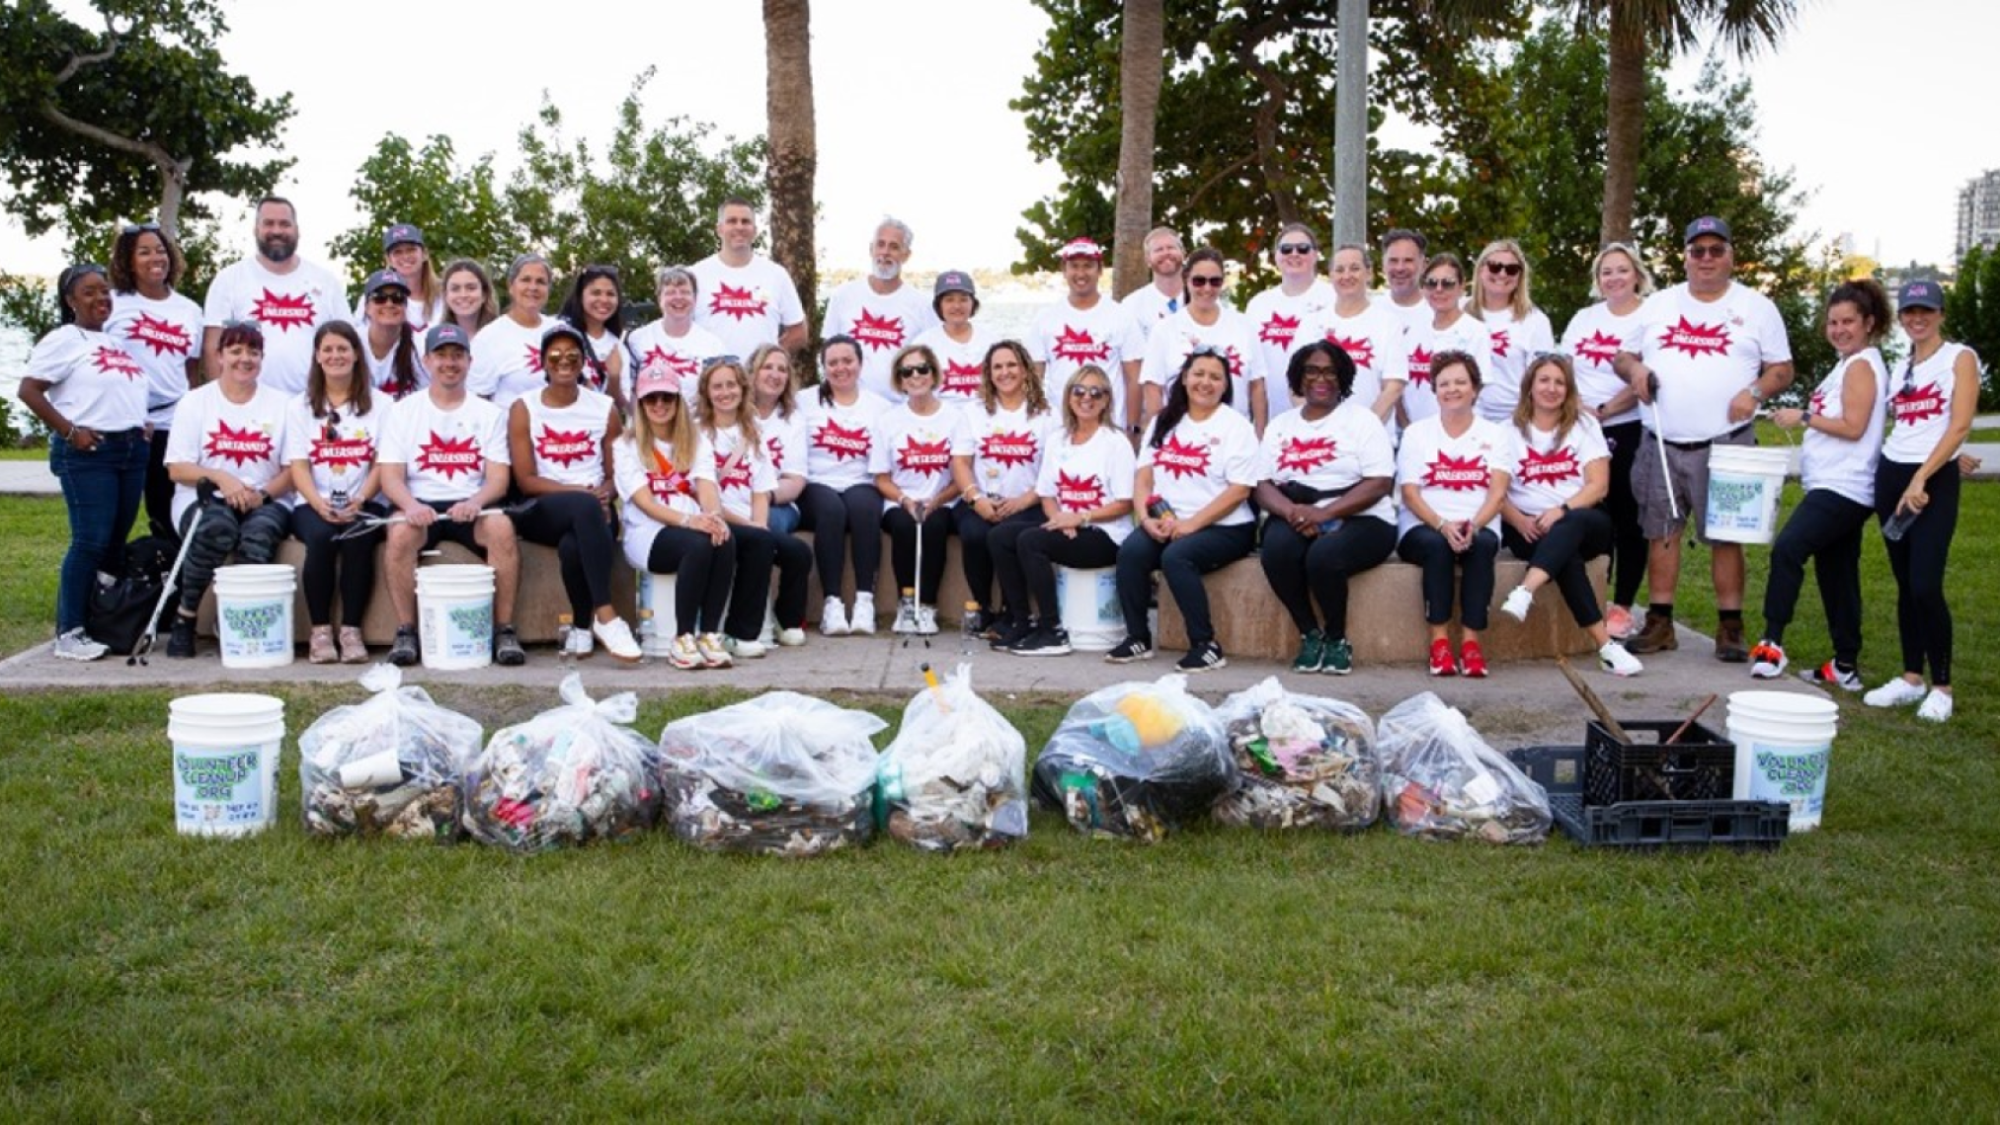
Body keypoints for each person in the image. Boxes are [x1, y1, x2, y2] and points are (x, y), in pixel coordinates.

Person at [1614, 216, 1793, 661]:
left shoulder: (1756, 307)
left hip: (1727, 440)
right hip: (1662, 438)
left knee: (1726, 535)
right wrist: (1635, 370)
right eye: (1698, 250)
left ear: (1731, 255)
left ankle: (1730, 626)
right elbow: (1622, 356)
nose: (1707, 258)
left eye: (1716, 250)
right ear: (1686, 256)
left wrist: (1754, 392)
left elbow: (1782, 369)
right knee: (1662, 533)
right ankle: (1660, 623)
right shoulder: (1659, 304)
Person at [1748, 280, 1891, 690]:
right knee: (1838, 574)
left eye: (1848, 321)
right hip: (1836, 486)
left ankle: (1771, 644)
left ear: (1869, 323)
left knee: (1789, 548)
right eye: (1832, 321)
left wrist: (1804, 417)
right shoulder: (1850, 363)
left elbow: (1854, 426)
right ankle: (1845, 665)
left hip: (1843, 487)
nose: (1839, 329)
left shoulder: (1862, 365)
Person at [16, 263, 149, 661]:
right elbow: (29, 390)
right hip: (90, 454)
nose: (100, 298)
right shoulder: (63, 339)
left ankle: (99, 622)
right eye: (89, 292)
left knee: (112, 543)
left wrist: (139, 422)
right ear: (70, 300)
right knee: (89, 541)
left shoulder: (112, 342)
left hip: (129, 451)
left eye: (104, 291)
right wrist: (71, 432)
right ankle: (69, 631)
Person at [376, 324, 525, 668]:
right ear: (427, 360)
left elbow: (498, 479)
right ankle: (406, 631)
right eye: (441, 355)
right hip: (420, 505)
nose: (449, 363)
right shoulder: (403, 411)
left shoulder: (488, 414)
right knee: (399, 534)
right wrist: (411, 506)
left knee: (501, 529)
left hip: (470, 506)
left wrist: (475, 502)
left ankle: (503, 629)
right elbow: (390, 477)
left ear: (469, 362)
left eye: (457, 355)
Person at [1862, 280, 1977, 722]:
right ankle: (1911, 678)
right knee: (1907, 584)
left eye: (1926, 311)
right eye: (1910, 311)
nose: (1917, 318)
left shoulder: (1959, 357)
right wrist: (1940, 459)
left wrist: (1926, 474)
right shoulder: (1902, 363)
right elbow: (1916, 424)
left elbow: (1961, 421)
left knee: (1927, 582)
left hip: (1927, 483)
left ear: (1941, 314)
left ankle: (1942, 686)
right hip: (1893, 473)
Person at [1108, 348, 1258, 672]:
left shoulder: (1236, 427)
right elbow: (1144, 476)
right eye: (1199, 374)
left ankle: (1206, 646)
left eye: (1215, 377)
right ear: (1185, 378)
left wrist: (1191, 524)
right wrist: (1145, 519)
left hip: (1226, 526)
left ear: (1225, 385)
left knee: (1177, 556)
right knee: (1132, 551)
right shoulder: (1165, 419)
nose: (1206, 382)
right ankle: (1137, 637)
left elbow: (1239, 490)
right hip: (1165, 520)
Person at [1494, 354, 1644, 677]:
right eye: (1544, 381)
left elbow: (1599, 486)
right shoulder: (1507, 431)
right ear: (1530, 387)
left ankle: (1525, 591)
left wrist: (1560, 510)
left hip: (1585, 520)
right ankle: (1605, 647)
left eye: (1559, 382)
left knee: (1569, 525)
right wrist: (1519, 519)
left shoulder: (1584, 425)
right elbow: (1497, 492)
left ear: (1569, 389)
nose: (1552, 388)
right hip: (1527, 527)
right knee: (1566, 559)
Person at [1254, 341, 1397, 675]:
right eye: (1312, 370)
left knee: (1324, 556)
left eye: (1330, 371)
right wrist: (1293, 512)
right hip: (1295, 511)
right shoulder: (1280, 425)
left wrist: (1326, 513)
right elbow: (1261, 484)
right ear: (1298, 378)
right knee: (1276, 551)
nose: (1321, 378)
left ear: (1343, 377)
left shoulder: (1362, 420)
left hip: (1363, 517)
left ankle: (1336, 639)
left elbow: (1379, 482)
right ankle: (1309, 633)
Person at [506, 323, 642, 663]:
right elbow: (525, 480)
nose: (563, 361)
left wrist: (603, 492)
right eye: (555, 355)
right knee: (582, 507)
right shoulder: (524, 408)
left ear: (583, 362)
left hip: (595, 511)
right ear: (542, 362)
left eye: (572, 355)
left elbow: (615, 476)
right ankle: (607, 615)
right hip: (542, 507)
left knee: (573, 546)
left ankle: (582, 627)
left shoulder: (604, 408)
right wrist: (582, 493)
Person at [162, 321, 296, 659]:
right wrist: (222, 478)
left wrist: (261, 495)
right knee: (217, 528)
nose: (245, 359)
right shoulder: (195, 402)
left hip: (266, 497)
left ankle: (237, 618)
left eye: (253, 351)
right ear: (219, 356)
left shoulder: (283, 405)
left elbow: (293, 469)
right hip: (202, 497)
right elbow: (177, 468)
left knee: (259, 534)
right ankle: (186, 616)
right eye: (235, 351)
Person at [989, 364, 1136, 655]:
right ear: (1069, 396)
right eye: (1079, 391)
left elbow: (1125, 503)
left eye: (1096, 392)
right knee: (1000, 536)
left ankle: (1052, 631)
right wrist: (1060, 519)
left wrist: (1081, 517)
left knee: (1031, 541)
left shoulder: (1115, 443)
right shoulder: (1058, 439)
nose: (1087, 398)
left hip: (1105, 534)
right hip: (1066, 527)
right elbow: (1046, 493)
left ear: (1106, 400)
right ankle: (1022, 622)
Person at [1395, 349, 1515, 678]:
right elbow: (1410, 493)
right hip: (1423, 524)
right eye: (1444, 383)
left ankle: (1472, 643)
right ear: (1434, 390)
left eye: (1461, 382)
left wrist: (1473, 525)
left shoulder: (1495, 434)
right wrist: (1443, 525)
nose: (1452, 389)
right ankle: (1440, 643)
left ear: (1475, 388)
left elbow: (1498, 492)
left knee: (1483, 546)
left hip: (1478, 521)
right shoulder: (1417, 433)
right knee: (1436, 547)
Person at [1558, 243, 1654, 639]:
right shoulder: (1584, 318)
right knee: (1596, 516)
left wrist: (1608, 409)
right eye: (1606, 272)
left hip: (1627, 423)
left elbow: (1646, 376)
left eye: (1621, 270)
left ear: (1637, 275)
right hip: (1582, 425)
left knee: (1629, 516)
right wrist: (1580, 407)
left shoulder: (1651, 316)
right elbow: (1563, 366)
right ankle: (1597, 594)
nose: (1614, 278)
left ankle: (1625, 604)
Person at [614, 362, 735, 670]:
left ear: (678, 401)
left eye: (666, 397)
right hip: (648, 534)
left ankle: (709, 633)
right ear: (640, 403)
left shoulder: (696, 440)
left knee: (723, 538)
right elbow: (644, 502)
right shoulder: (626, 445)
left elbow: (707, 485)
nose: (659, 405)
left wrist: (713, 516)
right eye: (651, 398)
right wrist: (689, 521)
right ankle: (682, 637)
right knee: (698, 544)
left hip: (691, 527)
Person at [285, 321, 384, 664]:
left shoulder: (381, 405)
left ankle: (351, 630)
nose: (335, 355)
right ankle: (321, 631)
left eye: (343, 348)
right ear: (317, 356)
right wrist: (318, 503)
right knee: (323, 538)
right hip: (313, 501)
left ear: (356, 354)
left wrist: (361, 500)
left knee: (359, 538)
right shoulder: (300, 406)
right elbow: (298, 466)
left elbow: (383, 463)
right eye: (327, 349)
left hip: (365, 499)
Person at [698, 356, 812, 654]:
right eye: (718, 386)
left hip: (749, 521)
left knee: (797, 551)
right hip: (712, 518)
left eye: (731, 385)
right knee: (759, 542)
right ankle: (739, 634)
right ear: (707, 392)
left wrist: (760, 525)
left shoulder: (753, 434)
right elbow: (705, 496)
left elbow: (761, 491)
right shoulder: (698, 433)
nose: (726, 392)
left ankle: (787, 621)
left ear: (742, 388)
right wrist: (754, 529)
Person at [104, 222, 203, 540]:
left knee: (168, 512)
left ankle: (169, 581)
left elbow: (192, 369)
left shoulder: (188, 309)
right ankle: (111, 583)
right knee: (115, 516)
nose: (154, 258)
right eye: (143, 252)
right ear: (127, 260)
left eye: (160, 250)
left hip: (171, 425)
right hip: (125, 424)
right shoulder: (112, 303)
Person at [951, 340, 1056, 640]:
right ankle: (983, 608)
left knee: (1014, 536)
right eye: (997, 366)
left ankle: (1013, 612)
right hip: (981, 498)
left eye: (1012, 365)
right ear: (988, 373)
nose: (1005, 372)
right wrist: (976, 498)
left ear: (1025, 369)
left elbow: (1054, 468)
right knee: (974, 533)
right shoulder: (974, 412)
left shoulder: (1046, 414)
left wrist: (1025, 500)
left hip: (1030, 500)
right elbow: (960, 462)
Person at [202, 196, 345, 396]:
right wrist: (223, 402)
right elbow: (212, 348)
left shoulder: (326, 282)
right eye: (268, 223)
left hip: (312, 405)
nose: (277, 231)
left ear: (297, 230)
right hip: (248, 404)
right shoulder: (229, 279)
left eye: (284, 224)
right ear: (255, 229)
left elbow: (347, 345)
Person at [798, 336, 891, 635]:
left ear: (860, 364)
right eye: (833, 362)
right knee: (832, 511)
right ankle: (832, 603)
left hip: (860, 481)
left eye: (847, 361)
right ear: (823, 367)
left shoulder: (880, 407)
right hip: (815, 482)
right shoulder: (804, 401)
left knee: (864, 509)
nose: (841, 368)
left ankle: (865, 601)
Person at [871, 344, 967, 634]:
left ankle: (926, 606)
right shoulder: (888, 421)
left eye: (922, 369)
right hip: (900, 501)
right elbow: (881, 478)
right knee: (904, 526)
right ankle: (906, 603)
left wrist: (936, 500)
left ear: (934, 374)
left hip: (944, 501)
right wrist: (906, 500)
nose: (915, 376)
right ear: (899, 380)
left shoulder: (955, 417)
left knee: (933, 526)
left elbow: (961, 472)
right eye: (907, 371)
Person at [1027, 237, 1146, 439]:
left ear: (1099, 270)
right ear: (1064, 270)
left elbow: (1134, 379)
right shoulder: (1044, 319)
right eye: (1074, 266)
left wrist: (1133, 429)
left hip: (1110, 429)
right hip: (1060, 431)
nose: (1081, 273)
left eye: (1088, 266)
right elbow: (1034, 379)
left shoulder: (1121, 317)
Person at [1141, 247, 1268, 433]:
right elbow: (1153, 388)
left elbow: (1257, 386)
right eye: (1199, 281)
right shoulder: (1165, 329)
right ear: (1186, 279)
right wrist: (1158, 436)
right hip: (1181, 436)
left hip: (1234, 435)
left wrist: (1259, 435)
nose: (1207, 288)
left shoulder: (1244, 326)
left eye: (1215, 282)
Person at [823, 217, 940, 399]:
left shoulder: (921, 305)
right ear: (871, 249)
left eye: (894, 247)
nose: (885, 252)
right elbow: (827, 352)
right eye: (880, 244)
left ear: (906, 255)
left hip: (899, 408)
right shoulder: (843, 296)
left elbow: (933, 361)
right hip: (850, 406)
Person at [690, 196, 808, 358]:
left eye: (745, 222)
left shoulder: (776, 275)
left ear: (754, 230)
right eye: (732, 221)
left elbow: (798, 333)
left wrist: (768, 362)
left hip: (760, 381)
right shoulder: (695, 275)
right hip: (713, 379)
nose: (739, 227)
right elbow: (679, 329)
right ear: (719, 229)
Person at [1308, 243, 1407, 424]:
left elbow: (1394, 386)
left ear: (1369, 273)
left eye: (1355, 268)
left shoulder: (1387, 323)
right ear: (1330, 276)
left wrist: (1363, 429)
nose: (1347, 276)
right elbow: (1295, 385)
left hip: (1371, 438)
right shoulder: (1311, 323)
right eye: (1339, 270)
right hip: (1321, 439)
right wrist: (1316, 425)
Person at [1242, 223, 1333, 418]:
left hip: (1325, 416)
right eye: (1286, 249)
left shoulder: (1332, 298)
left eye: (1303, 248)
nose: (1294, 254)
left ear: (1315, 255)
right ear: (1276, 256)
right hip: (1271, 418)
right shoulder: (1258, 305)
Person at [1468, 239, 1555, 423]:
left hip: (1514, 420)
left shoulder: (1535, 321)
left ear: (1520, 277)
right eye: (1494, 266)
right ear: (1481, 269)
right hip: (1464, 418)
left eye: (1511, 269)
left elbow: (1543, 377)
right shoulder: (1458, 311)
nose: (1502, 274)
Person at [624, 266, 726, 410]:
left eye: (685, 292)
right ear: (659, 298)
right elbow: (628, 390)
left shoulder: (713, 345)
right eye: (670, 292)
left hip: (696, 427)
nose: (678, 297)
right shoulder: (637, 339)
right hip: (648, 426)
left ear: (695, 298)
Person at [467, 254, 555, 410]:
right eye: (525, 280)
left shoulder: (560, 330)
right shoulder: (489, 338)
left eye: (541, 282)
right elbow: (477, 402)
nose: (533, 287)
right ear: (511, 286)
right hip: (509, 431)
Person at [746, 343, 809, 538]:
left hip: (777, 503)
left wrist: (763, 496)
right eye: (767, 367)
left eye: (782, 370)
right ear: (752, 373)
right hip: (730, 499)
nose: (775, 374)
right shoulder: (733, 412)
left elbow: (795, 481)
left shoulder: (793, 420)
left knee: (766, 522)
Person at [911, 271, 994, 405]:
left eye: (963, 299)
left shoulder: (991, 341)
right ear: (939, 305)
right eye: (949, 300)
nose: (957, 306)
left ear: (973, 303)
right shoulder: (922, 344)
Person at [350, 224, 444, 332]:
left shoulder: (446, 294)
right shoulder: (375, 297)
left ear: (424, 254)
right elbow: (357, 336)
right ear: (388, 260)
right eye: (397, 252)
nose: (405, 256)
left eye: (411, 250)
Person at [554, 263, 626, 398]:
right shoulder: (558, 331)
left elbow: (617, 407)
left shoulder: (618, 347)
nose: (604, 300)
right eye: (596, 293)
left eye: (610, 294)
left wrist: (614, 377)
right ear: (580, 295)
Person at [357, 269, 426, 401]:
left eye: (398, 298)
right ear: (366, 307)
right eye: (380, 298)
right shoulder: (351, 343)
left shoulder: (420, 346)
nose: (389, 304)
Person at [1118, 227, 1188, 339]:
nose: (1166, 253)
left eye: (1171, 247)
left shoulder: (1205, 299)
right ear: (1147, 260)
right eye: (1159, 250)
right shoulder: (1131, 306)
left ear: (1183, 253)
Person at [1378, 228, 1431, 336]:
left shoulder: (1439, 312)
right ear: (1383, 265)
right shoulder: (1370, 311)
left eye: (1408, 260)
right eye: (1393, 260)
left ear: (1424, 265)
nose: (1400, 268)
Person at [439, 259, 500, 338]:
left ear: (484, 294)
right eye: (455, 289)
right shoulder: (436, 340)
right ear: (445, 296)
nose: (463, 295)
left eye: (471, 288)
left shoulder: (503, 335)